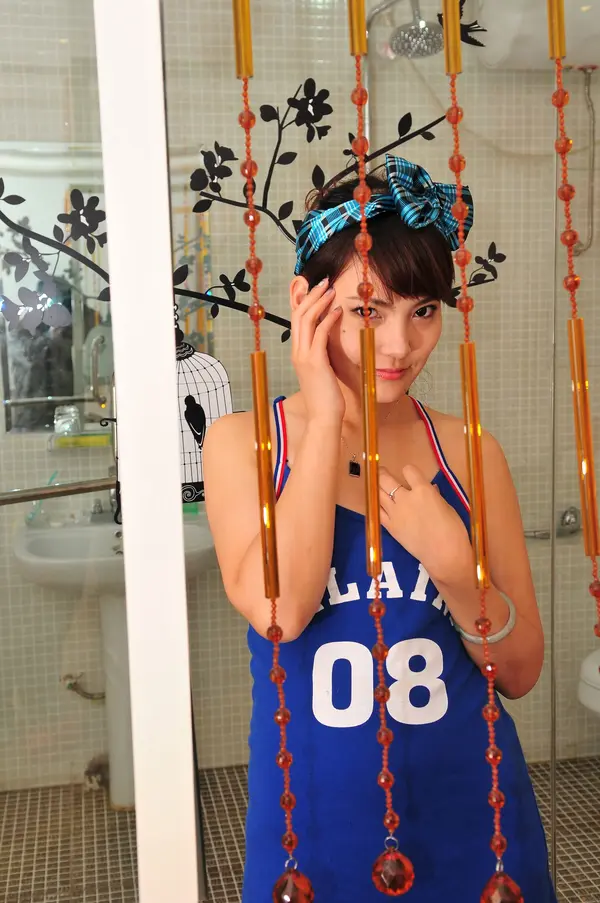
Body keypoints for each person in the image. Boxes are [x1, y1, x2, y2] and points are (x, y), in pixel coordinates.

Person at [203, 155, 556, 902]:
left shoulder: (469, 452)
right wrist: (325, 414)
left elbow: (521, 671)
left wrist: (457, 571)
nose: (400, 345)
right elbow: (281, 608)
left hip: (478, 823)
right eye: (369, 311)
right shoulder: (245, 445)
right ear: (307, 302)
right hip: (313, 839)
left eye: (423, 310)